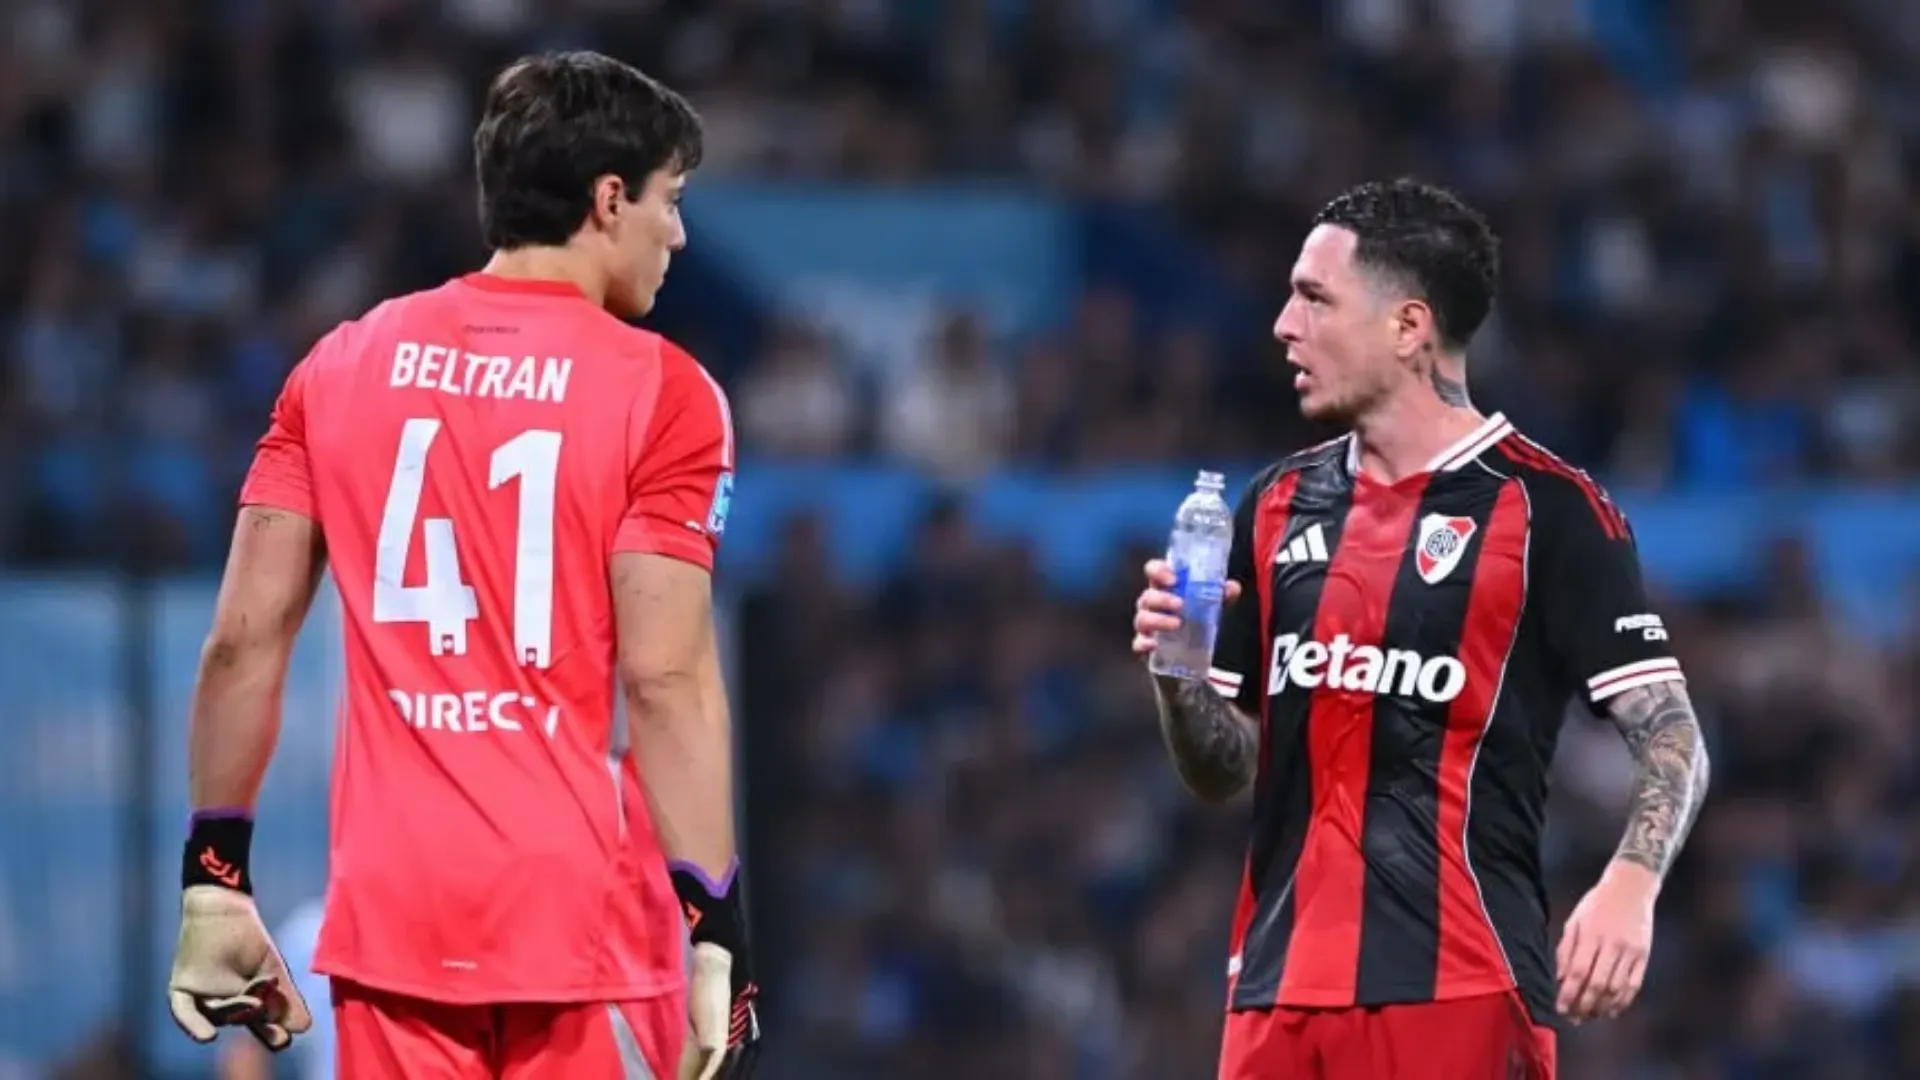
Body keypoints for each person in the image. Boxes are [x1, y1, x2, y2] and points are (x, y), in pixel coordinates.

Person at [165, 51, 761, 1080]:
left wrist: (216, 873)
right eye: (671, 200)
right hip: (583, 927)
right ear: (608, 199)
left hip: (391, 915)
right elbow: (665, 682)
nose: (679, 234)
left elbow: (240, 644)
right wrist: (719, 925)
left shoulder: (339, 363)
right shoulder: (665, 394)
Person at [1129, 178, 1711, 1080]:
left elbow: (1672, 732)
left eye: (1314, 298)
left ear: (1408, 329)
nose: (1284, 325)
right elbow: (1225, 769)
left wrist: (1631, 885)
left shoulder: (1549, 510)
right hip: (1274, 992)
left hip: (1461, 986)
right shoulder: (1274, 505)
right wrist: (1180, 678)